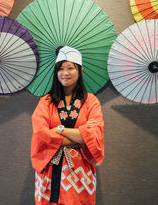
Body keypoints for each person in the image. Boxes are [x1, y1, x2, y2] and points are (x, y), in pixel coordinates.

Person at [31, 46, 105, 205]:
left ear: (80, 70)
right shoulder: (46, 101)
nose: (65, 73)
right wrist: (79, 136)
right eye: (61, 68)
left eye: (70, 68)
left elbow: (93, 134)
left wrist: (60, 130)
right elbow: (40, 133)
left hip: (80, 171)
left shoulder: (90, 101)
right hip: (50, 169)